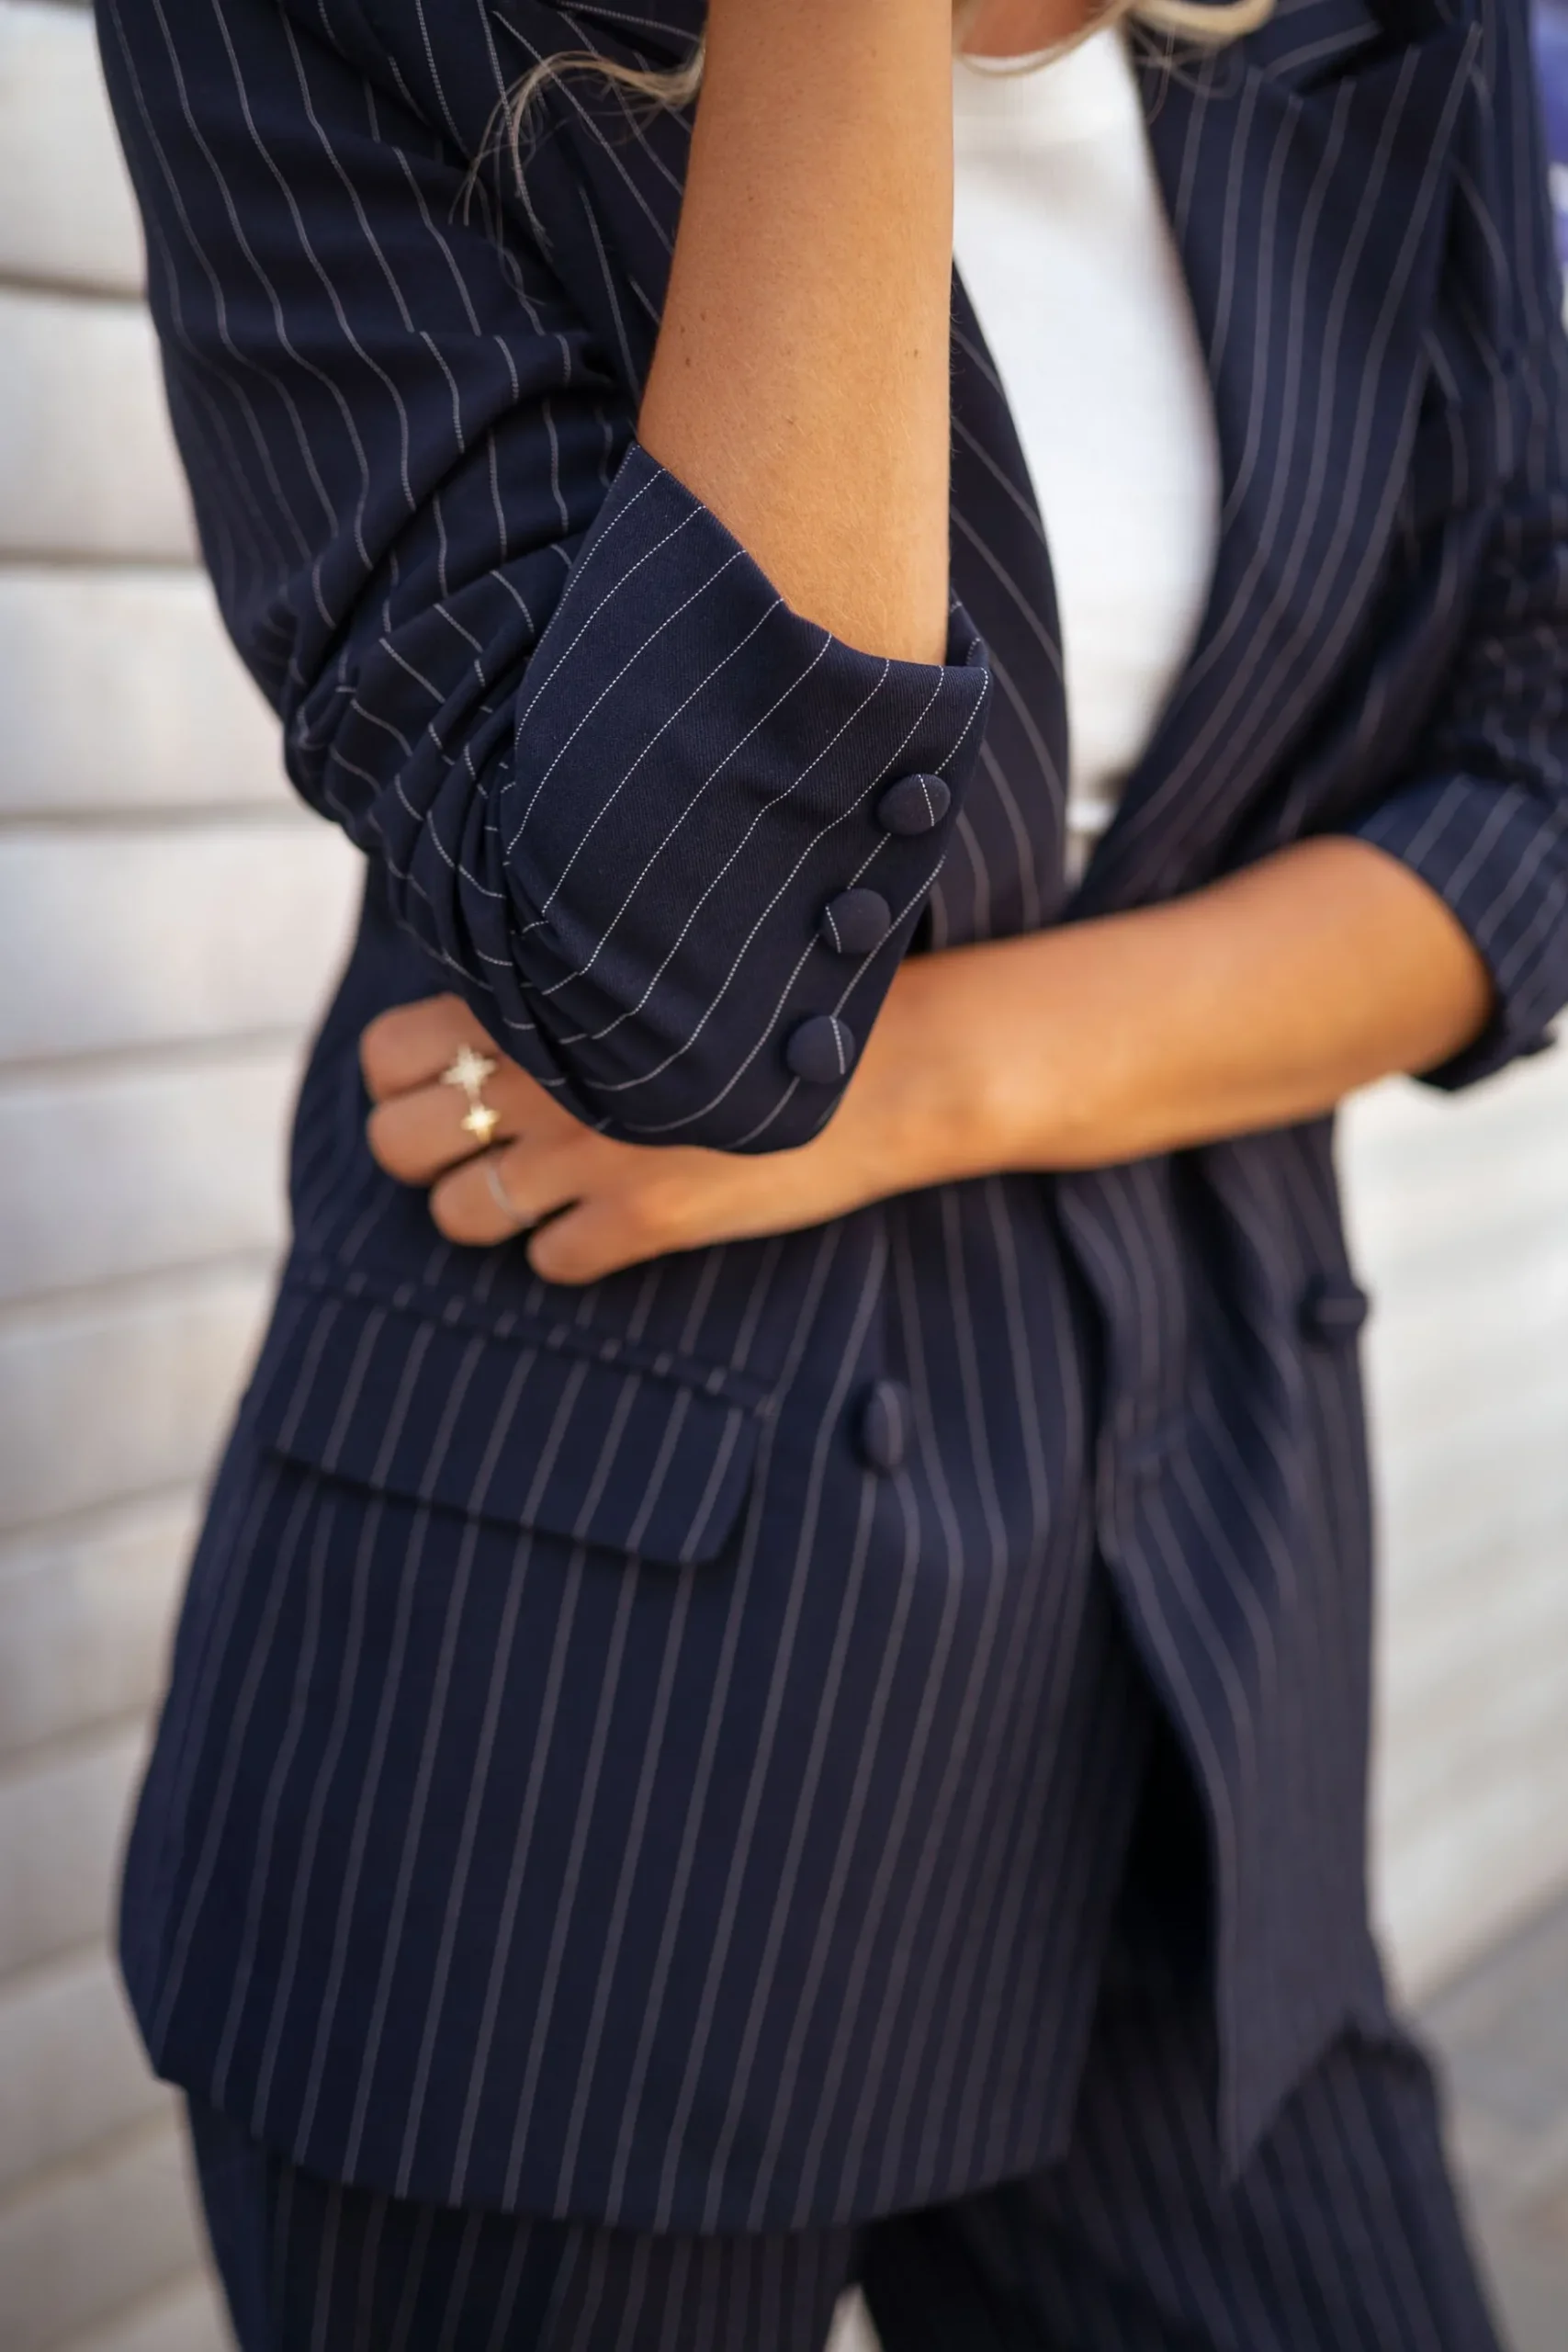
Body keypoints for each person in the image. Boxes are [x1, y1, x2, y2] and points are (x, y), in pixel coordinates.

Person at [95, 0, 1568, 2343]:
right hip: (579, 1775)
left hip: (1188, 1682)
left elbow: (1532, 767)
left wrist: (913, 1086)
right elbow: (687, 975)